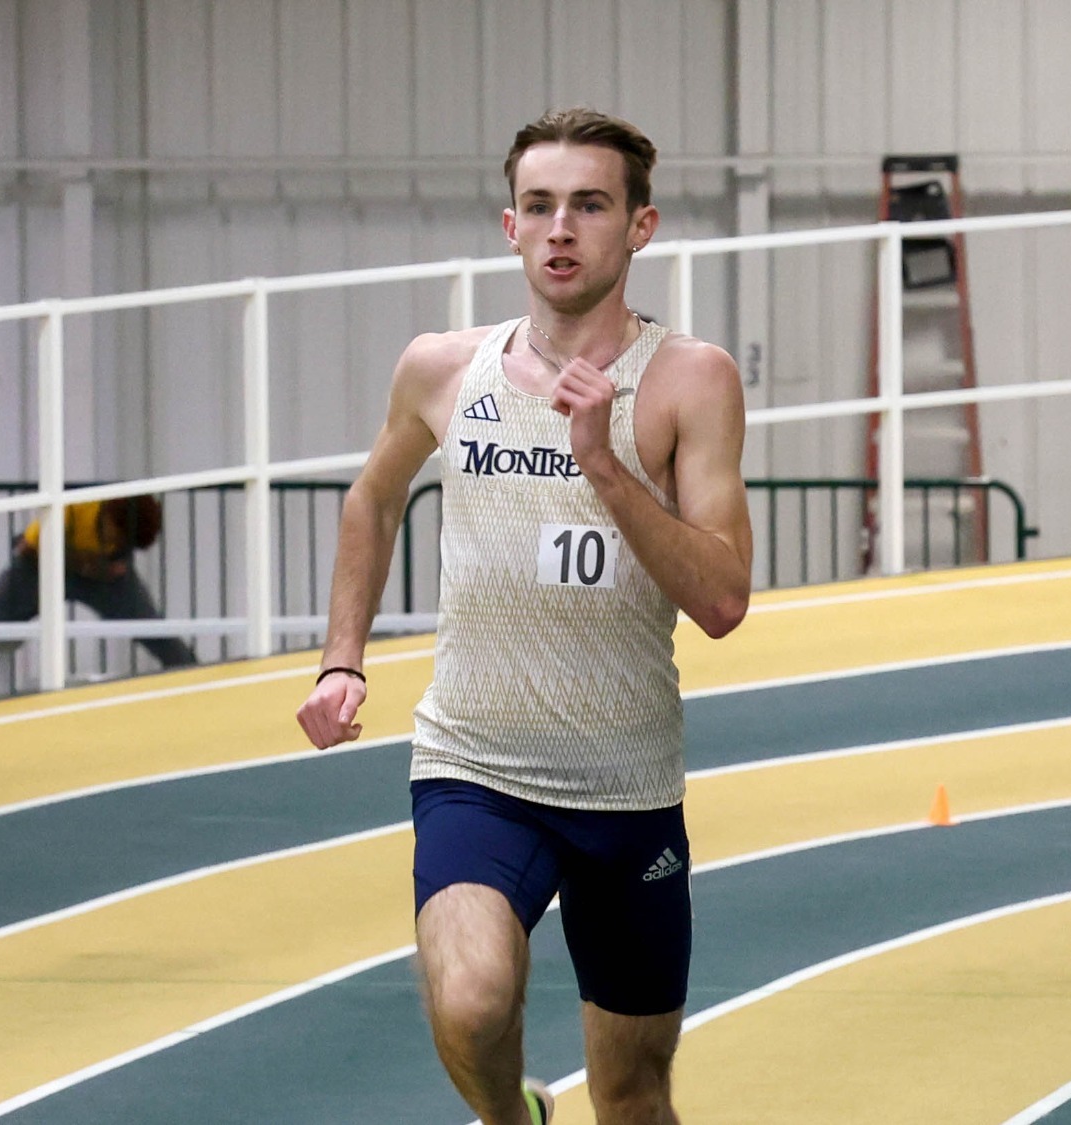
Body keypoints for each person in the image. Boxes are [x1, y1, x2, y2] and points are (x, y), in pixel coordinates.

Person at [296, 108, 753, 1125]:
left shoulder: (688, 381)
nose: (560, 228)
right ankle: (509, 1120)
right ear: (509, 227)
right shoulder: (442, 369)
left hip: (625, 787)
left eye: (588, 205)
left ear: (639, 227)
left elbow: (722, 598)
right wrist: (342, 660)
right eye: (539, 206)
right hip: (476, 767)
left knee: (632, 1094)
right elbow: (372, 496)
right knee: (469, 1002)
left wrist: (603, 461)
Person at [0, 495, 196, 707]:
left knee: (154, 630)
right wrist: (81, 562)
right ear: (109, 516)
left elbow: (118, 565)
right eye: (118, 538)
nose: (118, 543)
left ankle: (201, 684)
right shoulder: (72, 509)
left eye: (126, 545)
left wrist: (106, 564)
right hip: (37, 567)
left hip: (102, 577)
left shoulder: (121, 544)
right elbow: (26, 547)